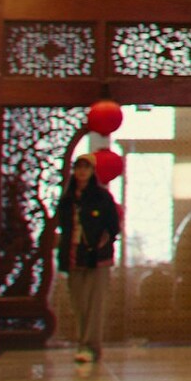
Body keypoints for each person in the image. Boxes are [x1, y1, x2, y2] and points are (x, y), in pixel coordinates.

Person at [55, 153, 120, 363]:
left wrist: (101, 242)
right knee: (79, 303)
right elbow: (63, 228)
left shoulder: (102, 197)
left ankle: (91, 347)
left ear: (92, 172)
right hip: (74, 256)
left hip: (96, 256)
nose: (82, 172)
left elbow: (113, 226)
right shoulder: (67, 199)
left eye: (86, 168)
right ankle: (83, 343)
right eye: (79, 167)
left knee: (95, 303)